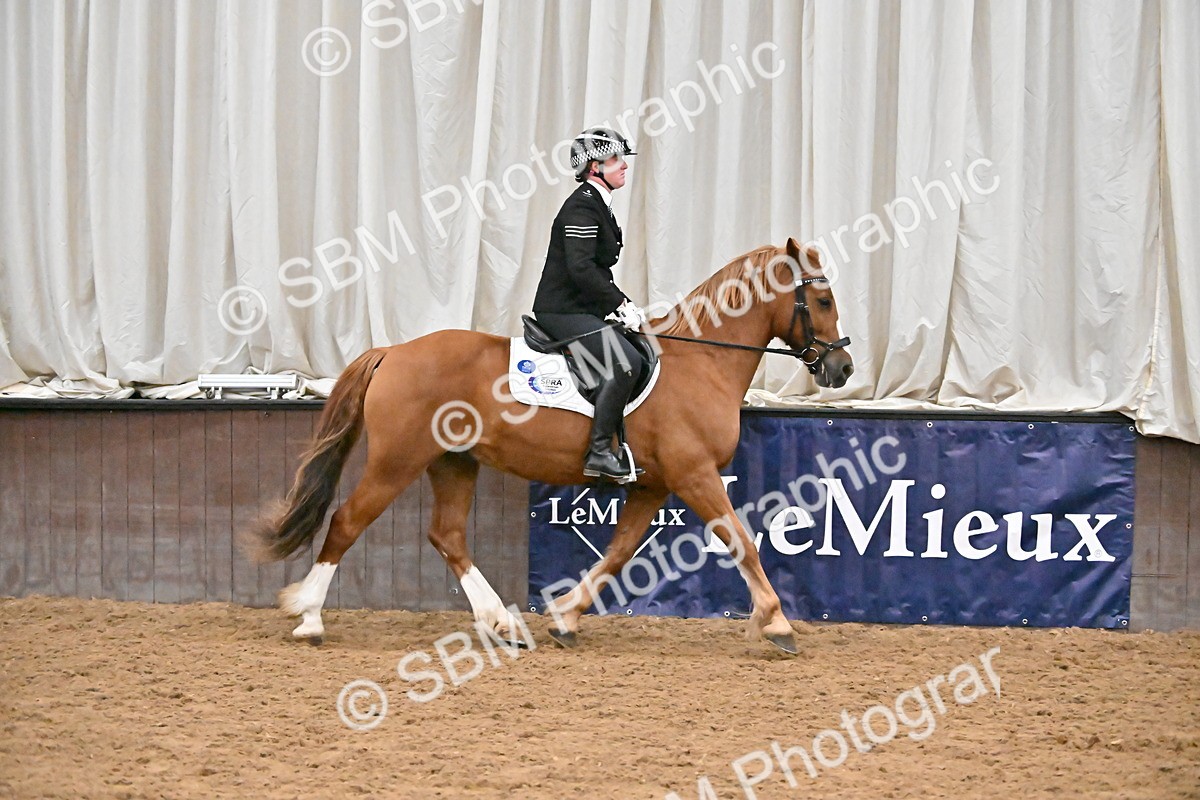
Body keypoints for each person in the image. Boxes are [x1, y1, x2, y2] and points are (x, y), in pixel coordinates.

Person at [533, 127, 648, 481]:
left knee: (642, 351)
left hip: (583, 307)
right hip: (561, 310)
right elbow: (580, 268)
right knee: (626, 363)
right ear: (594, 167)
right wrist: (620, 304)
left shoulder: (599, 203)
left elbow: (595, 270)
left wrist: (617, 306)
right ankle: (599, 452)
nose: (623, 166)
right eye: (615, 159)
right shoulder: (581, 206)